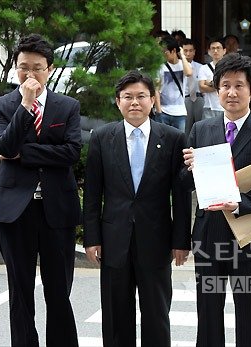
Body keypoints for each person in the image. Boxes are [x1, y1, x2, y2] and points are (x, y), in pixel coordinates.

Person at [182, 53, 251, 347]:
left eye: (239, 85)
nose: (231, 92)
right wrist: (190, 168)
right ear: (217, 89)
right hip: (209, 235)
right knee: (208, 312)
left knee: (249, 313)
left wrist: (240, 202)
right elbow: (184, 183)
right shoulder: (201, 130)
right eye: (225, 85)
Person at [83, 71, 192, 346]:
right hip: (113, 239)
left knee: (156, 314)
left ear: (152, 100)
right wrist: (92, 238)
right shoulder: (102, 138)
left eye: (141, 96)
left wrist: (181, 241)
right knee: (116, 315)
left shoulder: (173, 138)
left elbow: (180, 196)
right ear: (117, 102)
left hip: (156, 240)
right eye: (128, 97)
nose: (135, 102)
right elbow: (93, 193)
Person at [0, 33, 81, 346]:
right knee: (20, 291)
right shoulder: (0, 105)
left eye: (37, 68)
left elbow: (71, 152)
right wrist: (26, 106)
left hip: (57, 209)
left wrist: (21, 154)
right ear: (15, 68)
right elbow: (4, 145)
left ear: (50, 69)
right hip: (14, 211)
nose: (30, 75)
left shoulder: (67, 106)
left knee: (59, 291)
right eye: (24, 67)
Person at [156, 35, 192, 132]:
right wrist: (159, 111)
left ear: (174, 51)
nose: (163, 54)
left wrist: (183, 55)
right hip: (164, 111)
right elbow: (157, 90)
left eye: (165, 51)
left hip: (180, 111)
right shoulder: (160, 67)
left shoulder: (183, 64)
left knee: (179, 141)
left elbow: (188, 73)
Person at [199, 38, 226, 119]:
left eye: (218, 48)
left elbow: (229, 86)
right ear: (209, 51)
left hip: (225, 107)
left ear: (224, 50)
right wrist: (219, 85)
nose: (215, 51)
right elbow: (201, 88)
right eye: (213, 48)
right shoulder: (204, 68)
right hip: (208, 107)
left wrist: (209, 83)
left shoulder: (229, 67)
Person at [182, 38, 205, 136]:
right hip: (185, 98)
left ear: (194, 52)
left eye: (190, 51)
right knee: (186, 128)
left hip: (198, 97)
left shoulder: (201, 67)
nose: (188, 54)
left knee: (200, 126)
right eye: (185, 51)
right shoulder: (178, 66)